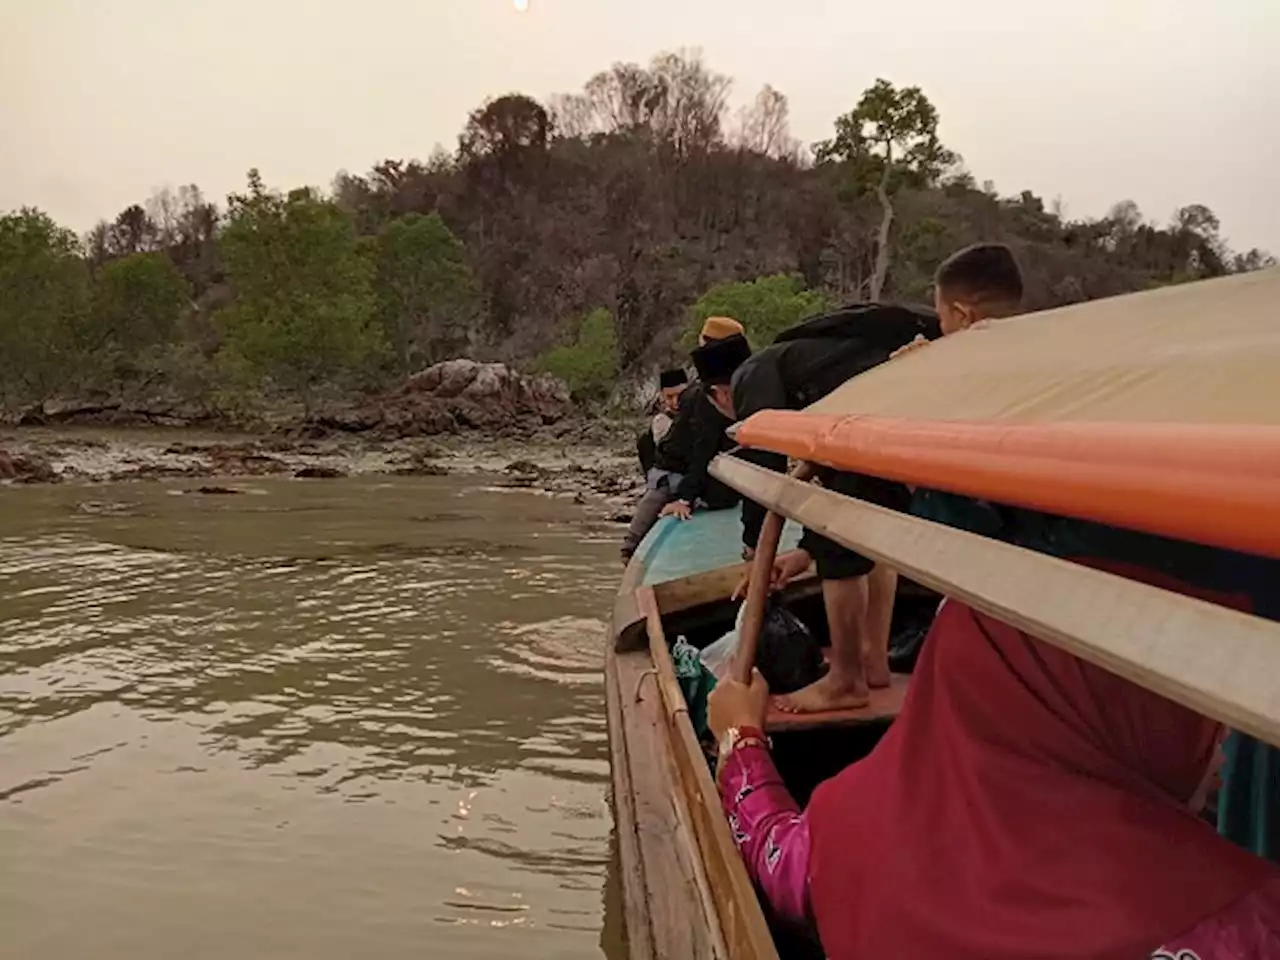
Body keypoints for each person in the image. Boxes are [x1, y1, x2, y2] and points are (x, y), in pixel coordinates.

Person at [707, 594, 1280, 959]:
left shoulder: (851, 829)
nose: (1227, 735)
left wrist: (741, 739)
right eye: (1195, 703)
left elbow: (773, 850)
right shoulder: (1242, 920)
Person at [722, 243, 1026, 713]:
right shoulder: (1009, 354)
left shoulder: (753, 373)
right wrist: (803, 551)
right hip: (878, 433)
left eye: (945, 319)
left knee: (840, 527)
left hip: (860, 430)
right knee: (872, 527)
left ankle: (845, 680)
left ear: (962, 315)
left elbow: (763, 461)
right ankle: (873, 659)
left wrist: (755, 549)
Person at [620, 319, 744, 563]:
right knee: (658, 487)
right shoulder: (711, 394)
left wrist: (685, 497)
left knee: (656, 499)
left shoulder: (706, 393)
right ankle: (631, 548)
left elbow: (703, 448)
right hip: (693, 472)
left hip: (692, 473)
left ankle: (631, 548)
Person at [635, 368, 688, 476]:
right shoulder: (661, 421)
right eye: (670, 397)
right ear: (662, 397)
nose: (675, 402)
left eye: (680, 395)